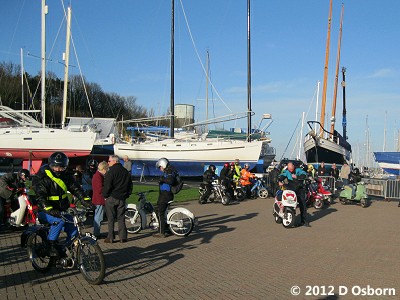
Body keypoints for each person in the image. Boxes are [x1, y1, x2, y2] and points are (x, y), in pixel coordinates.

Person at [34, 152, 95, 257]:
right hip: (45, 211)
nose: (58, 169)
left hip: (61, 210)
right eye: (55, 166)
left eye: (61, 167)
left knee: (74, 227)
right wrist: (49, 209)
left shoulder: (66, 176)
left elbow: (76, 189)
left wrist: (86, 201)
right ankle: (51, 245)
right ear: (51, 165)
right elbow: (40, 196)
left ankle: (66, 249)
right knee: (59, 221)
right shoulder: (43, 177)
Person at [103, 155, 133, 243]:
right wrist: (127, 194)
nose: (108, 163)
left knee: (111, 218)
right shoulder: (125, 171)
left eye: (109, 161)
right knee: (121, 217)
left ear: (114, 161)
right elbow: (130, 185)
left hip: (112, 197)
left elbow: (107, 186)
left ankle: (111, 237)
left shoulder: (110, 172)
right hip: (122, 197)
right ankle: (123, 237)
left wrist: (105, 195)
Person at [154, 157, 178, 238]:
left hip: (165, 195)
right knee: (162, 212)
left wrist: (162, 179)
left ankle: (161, 232)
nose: (160, 169)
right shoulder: (169, 170)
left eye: (160, 167)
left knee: (159, 212)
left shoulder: (170, 171)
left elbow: (170, 180)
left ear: (163, 165)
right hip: (166, 194)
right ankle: (167, 229)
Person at [281, 162, 310, 227]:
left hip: (300, 189)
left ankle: (304, 221)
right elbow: (281, 176)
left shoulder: (298, 170)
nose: (291, 170)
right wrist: (280, 181)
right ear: (288, 168)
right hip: (291, 188)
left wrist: (297, 177)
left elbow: (305, 175)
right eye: (290, 169)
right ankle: (287, 216)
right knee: (288, 202)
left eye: (292, 169)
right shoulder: (286, 171)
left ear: (293, 167)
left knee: (303, 205)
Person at [92, 161, 109, 238]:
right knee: (98, 217)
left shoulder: (97, 175)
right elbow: (99, 189)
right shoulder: (98, 176)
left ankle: (96, 232)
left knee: (98, 216)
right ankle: (96, 233)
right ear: (104, 169)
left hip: (97, 199)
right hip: (99, 199)